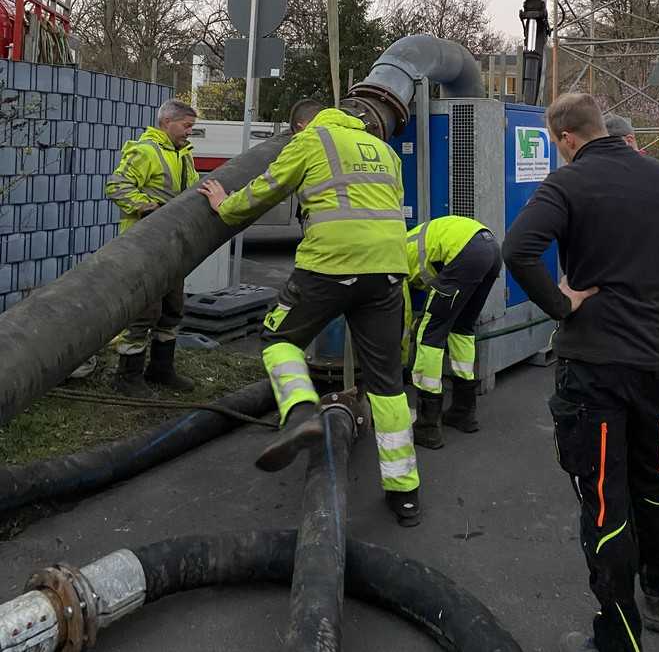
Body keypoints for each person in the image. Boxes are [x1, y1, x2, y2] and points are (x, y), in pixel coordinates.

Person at [502, 93, 659, 652]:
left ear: (566, 137)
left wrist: (563, 302)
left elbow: (519, 249)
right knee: (650, 478)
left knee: (604, 497)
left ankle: (618, 636)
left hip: (595, 367)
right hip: (653, 362)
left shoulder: (567, 183)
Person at [198, 98, 421, 527]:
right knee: (387, 384)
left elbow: (268, 188)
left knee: (279, 340)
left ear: (301, 124)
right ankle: (405, 493)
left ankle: (301, 414)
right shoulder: (387, 152)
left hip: (330, 268)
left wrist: (225, 204)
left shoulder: (312, 138)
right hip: (390, 269)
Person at [604, 112, 659, 534]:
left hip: (615, 329)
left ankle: (632, 514)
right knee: (657, 423)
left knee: (619, 429)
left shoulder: (597, 182)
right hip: (656, 327)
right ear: (634, 139)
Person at [105, 99, 199, 395]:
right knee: (144, 311)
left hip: (173, 246)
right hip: (143, 247)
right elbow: (117, 186)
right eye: (186, 126)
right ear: (167, 122)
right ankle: (127, 377)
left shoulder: (183, 155)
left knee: (172, 308)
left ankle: (161, 369)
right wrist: (146, 207)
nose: (189, 133)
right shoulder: (146, 151)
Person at [404, 215, 501, 448]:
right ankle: (463, 412)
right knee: (462, 329)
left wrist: (401, 359)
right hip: (490, 248)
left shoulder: (394, 262)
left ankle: (428, 427)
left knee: (428, 333)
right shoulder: (410, 240)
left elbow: (404, 313)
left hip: (465, 252)